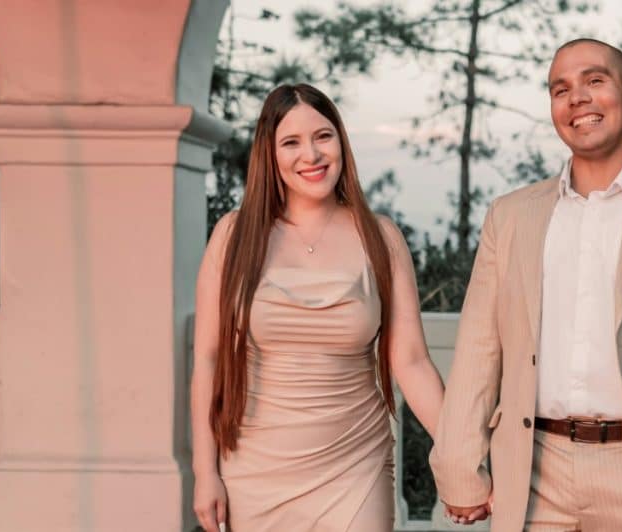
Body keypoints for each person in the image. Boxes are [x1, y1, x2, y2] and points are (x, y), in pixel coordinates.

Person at [429, 38, 622, 531]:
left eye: (594, 81)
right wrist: (458, 466)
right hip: (534, 474)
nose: (576, 97)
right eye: (561, 89)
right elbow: (479, 347)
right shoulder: (510, 216)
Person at [190, 84, 444, 532]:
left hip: (355, 465)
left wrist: (464, 454)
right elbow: (208, 360)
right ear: (269, 153)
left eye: (323, 136)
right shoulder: (233, 236)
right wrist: (204, 473)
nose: (311, 154)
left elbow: (412, 362)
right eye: (291, 142)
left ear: (341, 141)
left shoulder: (380, 238)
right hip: (255, 469)